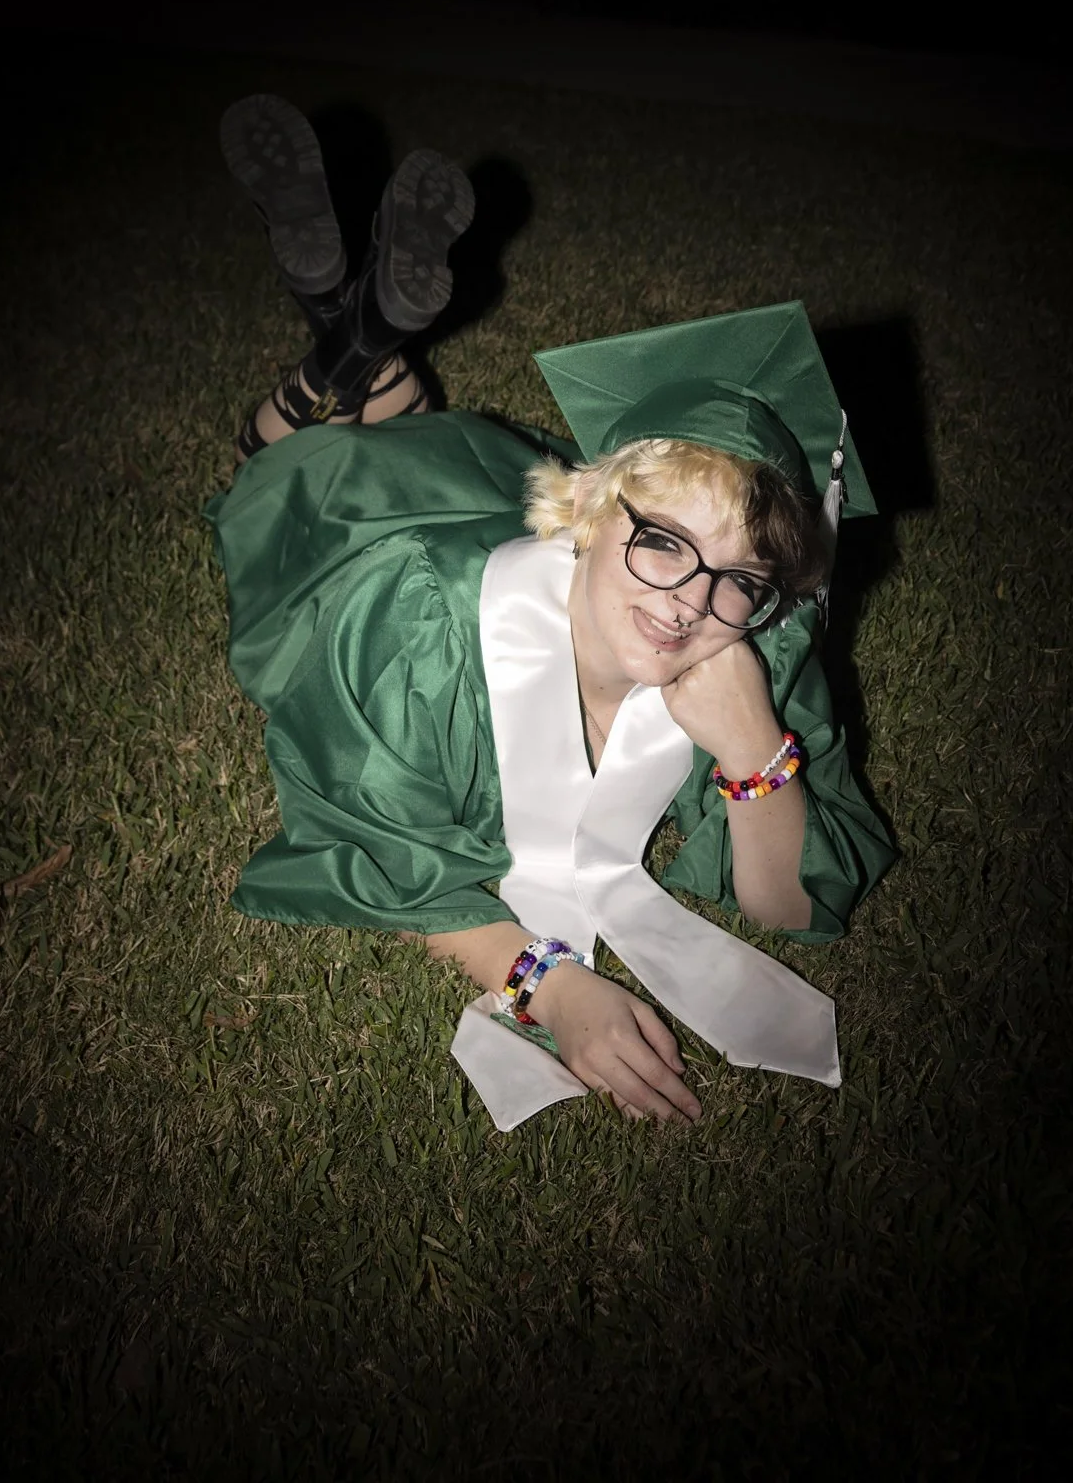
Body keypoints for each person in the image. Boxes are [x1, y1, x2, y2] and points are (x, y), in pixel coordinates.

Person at [207, 95, 895, 1129]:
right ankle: (339, 374)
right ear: (590, 509)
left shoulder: (754, 638)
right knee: (297, 463)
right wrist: (548, 983)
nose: (689, 605)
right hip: (372, 528)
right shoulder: (414, 627)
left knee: (393, 417)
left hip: (493, 490)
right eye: (662, 540)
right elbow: (384, 847)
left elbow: (789, 901)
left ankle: (352, 347)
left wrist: (755, 751)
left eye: (740, 577)